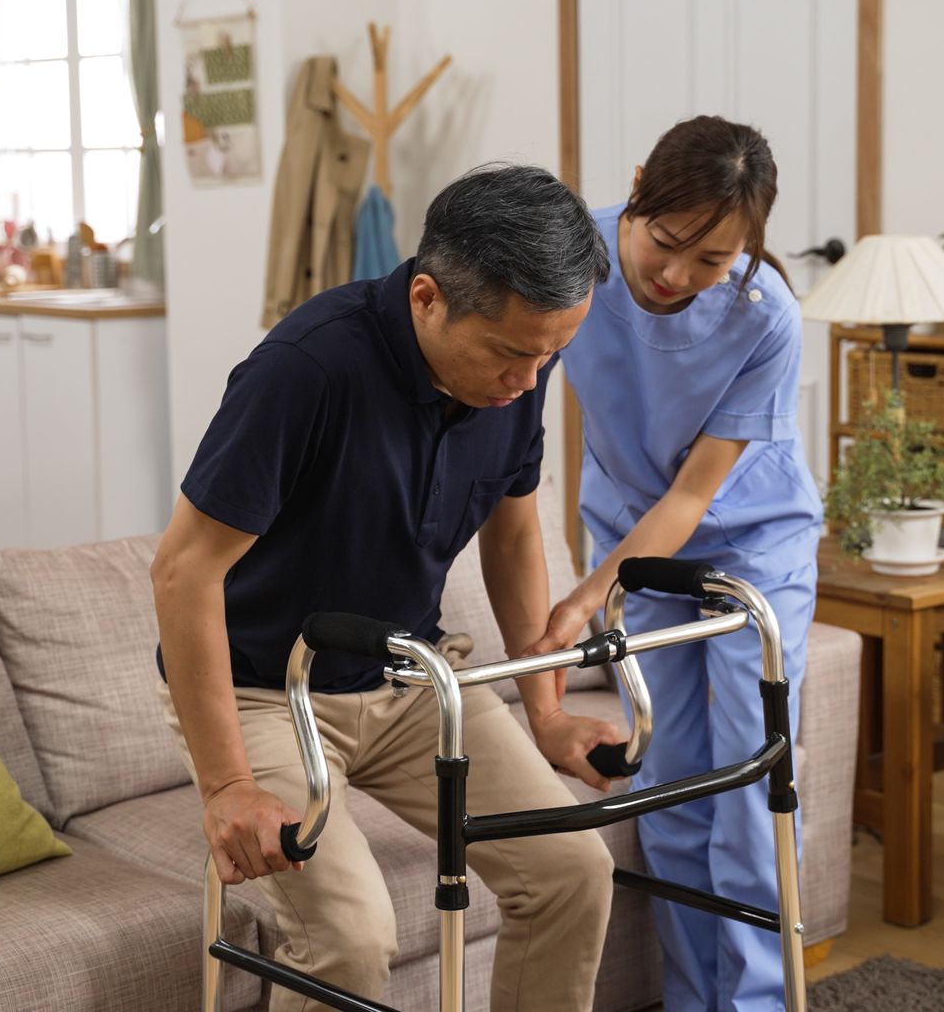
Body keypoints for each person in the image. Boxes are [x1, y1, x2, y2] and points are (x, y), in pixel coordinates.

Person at [151, 163, 626, 1011]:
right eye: (515, 353)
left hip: (412, 677)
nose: (531, 377)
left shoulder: (525, 357)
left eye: (555, 352)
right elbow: (184, 571)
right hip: (269, 693)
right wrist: (228, 786)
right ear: (427, 299)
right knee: (351, 937)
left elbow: (514, 532)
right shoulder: (305, 370)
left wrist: (546, 711)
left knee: (572, 869)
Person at [530, 116, 823, 1011]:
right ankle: (696, 1001)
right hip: (628, 539)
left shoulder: (765, 314)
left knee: (747, 786)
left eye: (713, 260)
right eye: (667, 244)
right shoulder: (566, 258)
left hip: (751, 546)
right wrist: (602, 578)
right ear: (639, 185)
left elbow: (695, 496)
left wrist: (587, 595)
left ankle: (759, 1005)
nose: (678, 276)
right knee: (667, 782)